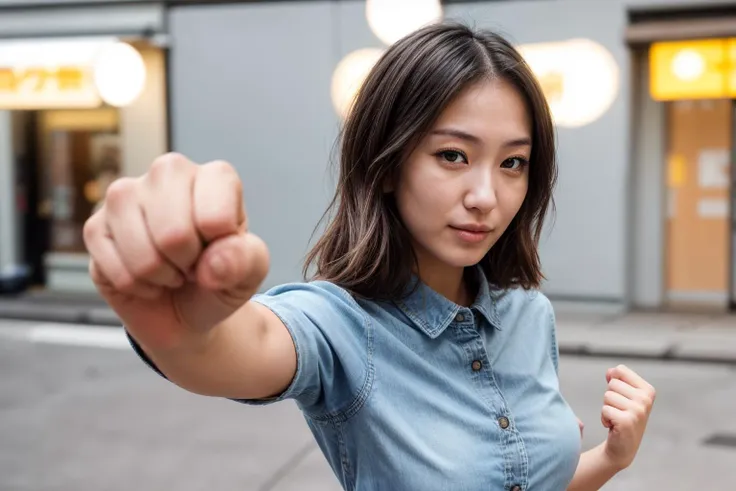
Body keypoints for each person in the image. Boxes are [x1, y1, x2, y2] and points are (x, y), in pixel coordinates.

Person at [83, 21, 655, 491]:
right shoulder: (341, 326)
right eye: (453, 155)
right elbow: (245, 344)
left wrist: (608, 458)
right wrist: (178, 326)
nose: (486, 196)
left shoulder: (531, 316)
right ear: (386, 166)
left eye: (513, 163)